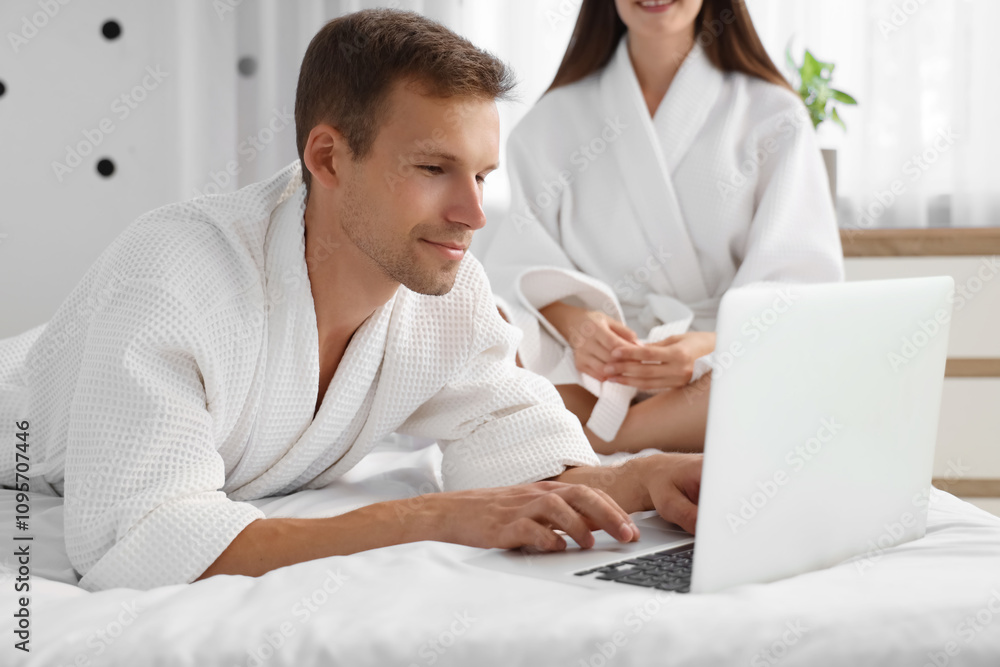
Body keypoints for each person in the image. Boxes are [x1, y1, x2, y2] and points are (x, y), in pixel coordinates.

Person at [0, 9, 703, 593]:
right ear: (329, 158)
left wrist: (643, 476)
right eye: (434, 168)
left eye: (482, 176)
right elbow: (142, 539)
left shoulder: (442, 290)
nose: (472, 213)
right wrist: (429, 517)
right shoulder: (173, 277)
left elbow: (511, 437)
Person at [482, 0, 844, 455]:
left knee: (787, 358)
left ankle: (602, 438)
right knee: (492, 340)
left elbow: (800, 286)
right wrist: (578, 326)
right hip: (589, 371)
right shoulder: (548, 122)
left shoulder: (774, 114)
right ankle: (630, 427)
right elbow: (517, 269)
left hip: (717, 365)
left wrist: (706, 346)